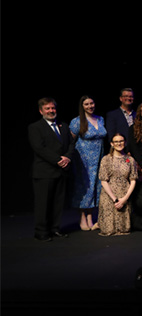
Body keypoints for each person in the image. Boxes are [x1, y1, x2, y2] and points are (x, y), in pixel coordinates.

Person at [28, 97, 75, 241]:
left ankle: (55, 229)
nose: (51, 111)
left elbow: (72, 144)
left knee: (58, 203)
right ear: (41, 111)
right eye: (47, 108)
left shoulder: (64, 126)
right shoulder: (35, 127)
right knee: (43, 204)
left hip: (61, 171)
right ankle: (41, 231)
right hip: (44, 172)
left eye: (53, 108)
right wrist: (58, 160)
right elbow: (39, 148)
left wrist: (67, 157)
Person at [69, 95, 107, 231]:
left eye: (91, 103)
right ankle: (82, 217)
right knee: (84, 187)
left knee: (96, 187)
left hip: (99, 158)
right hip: (83, 159)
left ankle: (91, 217)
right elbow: (71, 141)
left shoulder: (100, 119)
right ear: (82, 106)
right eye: (86, 104)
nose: (90, 106)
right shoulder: (77, 121)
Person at [97, 133, 138, 236]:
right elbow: (103, 181)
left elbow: (133, 180)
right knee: (108, 230)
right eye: (116, 141)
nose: (119, 143)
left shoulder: (130, 160)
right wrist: (115, 199)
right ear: (112, 144)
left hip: (124, 193)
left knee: (124, 229)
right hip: (109, 194)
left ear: (125, 142)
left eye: (121, 141)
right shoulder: (106, 159)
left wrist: (124, 199)